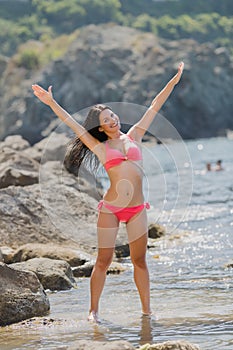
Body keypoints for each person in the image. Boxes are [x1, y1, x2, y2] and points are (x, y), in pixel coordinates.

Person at [32, 61, 184, 323]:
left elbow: (154, 106)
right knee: (103, 260)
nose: (113, 120)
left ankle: (146, 311)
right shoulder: (99, 147)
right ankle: (93, 311)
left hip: (137, 208)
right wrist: (51, 102)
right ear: (100, 128)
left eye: (113, 116)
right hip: (111, 208)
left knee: (140, 261)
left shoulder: (134, 135)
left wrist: (173, 80)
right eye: (106, 120)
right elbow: (73, 125)